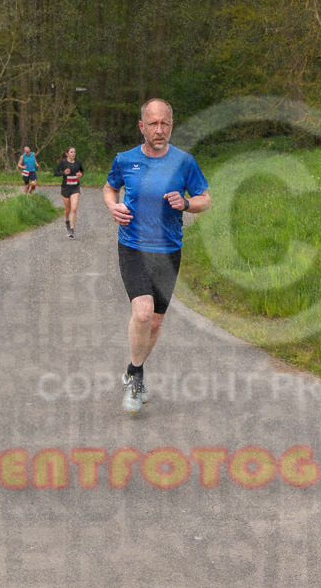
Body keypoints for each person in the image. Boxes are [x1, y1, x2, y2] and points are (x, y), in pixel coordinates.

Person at [102, 98, 210, 415]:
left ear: (171, 125)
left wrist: (187, 204)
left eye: (165, 123)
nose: (159, 130)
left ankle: (133, 369)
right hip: (133, 246)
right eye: (153, 124)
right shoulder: (125, 159)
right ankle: (136, 379)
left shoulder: (185, 162)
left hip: (169, 251)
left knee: (156, 324)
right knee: (144, 312)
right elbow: (109, 188)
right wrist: (113, 205)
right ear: (142, 126)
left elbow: (205, 199)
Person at [55, 146, 83, 239]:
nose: (73, 154)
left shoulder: (78, 162)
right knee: (68, 209)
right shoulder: (63, 162)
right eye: (71, 152)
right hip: (65, 188)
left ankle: (71, 229)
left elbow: (82, 171)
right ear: (67, 153)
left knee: (74, 209)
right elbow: (55, 173)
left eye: (74, 152)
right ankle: (67, 220)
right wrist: (64, 173)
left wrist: (80, 174)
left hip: (75, 188)